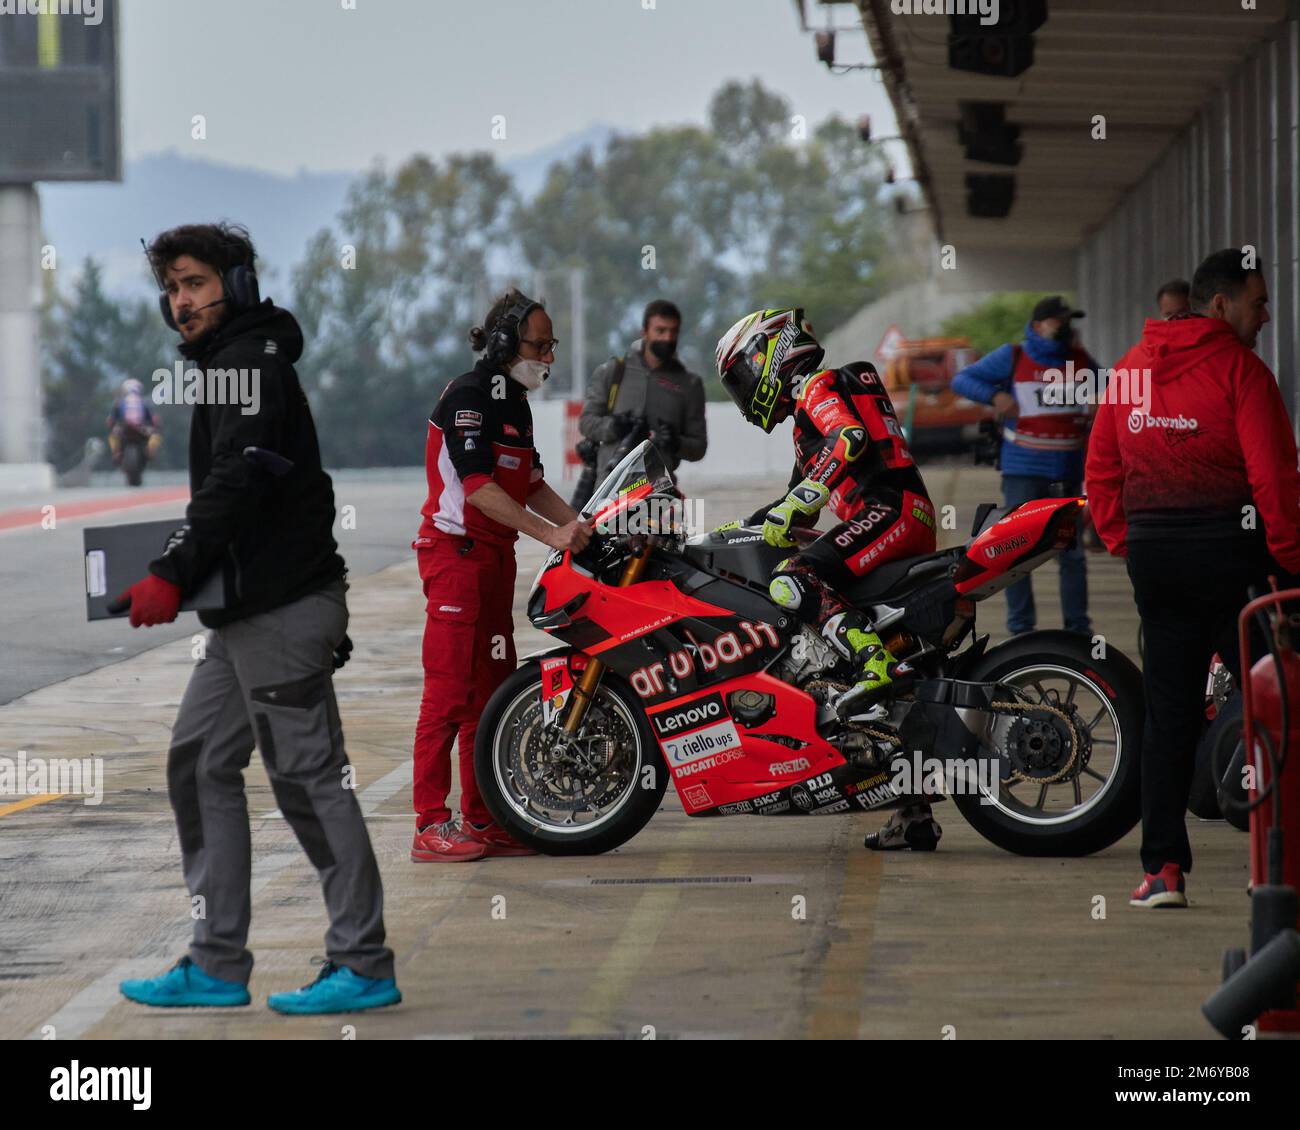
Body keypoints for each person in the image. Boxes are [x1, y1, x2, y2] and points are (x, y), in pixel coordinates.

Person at [114, 222, 399, 1014]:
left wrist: (171, 571)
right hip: (245, 616)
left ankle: (363, 961)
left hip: (281, 612)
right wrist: (175, 570)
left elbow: (241, 478)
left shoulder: (248, 364)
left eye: (196, 283)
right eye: (172, 289)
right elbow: (234, 492)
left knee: (309, 783)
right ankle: (215, 961)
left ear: (234, 284)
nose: (181, 302)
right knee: (200, 762)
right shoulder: (226, 366)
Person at [1087, 247, 1300, 908]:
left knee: (1169, 716)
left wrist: (1131, 542)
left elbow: (1100, 473)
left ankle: (1162, 872)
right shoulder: (1243, 372)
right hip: (1234, 563)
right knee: (1282, 704)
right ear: (1220, 305)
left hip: (1159, 563)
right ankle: (1281, 865)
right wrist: (1292, 565)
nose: (1265, 316)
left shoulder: (1127, 372)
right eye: (1258, 303)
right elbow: (1275, 483)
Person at [715, 307, 942, 852]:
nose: (745, 394)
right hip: (899, 515)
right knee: (816, 595)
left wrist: (800, 502)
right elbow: (802, 507)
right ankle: (910, 811)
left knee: (795, 579)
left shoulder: (819, 384)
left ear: (771, 354)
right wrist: (734, 534)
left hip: (890, 511)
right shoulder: (804, 423)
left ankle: (875, 664)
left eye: (743, 377)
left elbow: (850, 441)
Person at [411, 288, 592, 861]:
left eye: (552, 346)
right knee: (448, 694)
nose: (548, 358)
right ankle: (430, 823)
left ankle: (483, 819)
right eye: (540, 346)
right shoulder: (469, 396)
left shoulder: (515, 403)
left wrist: (584, 527)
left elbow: (531, 483)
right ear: (503, 342)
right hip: (454, 558)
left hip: (493, 561)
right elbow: (479, 489)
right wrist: (553, 537)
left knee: (490, 695)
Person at [952, 295, 1100, 636]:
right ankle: (1021, 629)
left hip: (1068, 472)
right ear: (1037, 326)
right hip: (1023, 470)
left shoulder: (1080, 360)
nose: (1065, 329)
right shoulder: (1014, 355)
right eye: (1058, 322)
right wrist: (995, 396)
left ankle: (1078, 630)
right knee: (1017, 551)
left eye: (1068, 322)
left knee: (1072, 555)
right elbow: (962, 380)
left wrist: (1099, 400)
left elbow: (1111, 390)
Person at [579, 299, 708, 484]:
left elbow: (699, 447)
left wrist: (675, 442)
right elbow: (586, 422)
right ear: (644, 332)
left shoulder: (690, 384)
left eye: (673, 332)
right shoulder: (613, 371)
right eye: (660, 331)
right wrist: (613, 426)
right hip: (608, 490)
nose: (668, 338)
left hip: (658, 494)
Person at [106, 378, 161, 466]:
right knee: (155, 436)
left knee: (113, 437)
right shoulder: (144, 402)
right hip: (141, 428)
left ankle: (116, 453)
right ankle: (150, 450)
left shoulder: (119, 403)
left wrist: (112, 426)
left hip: (124, 428)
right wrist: (155, 426)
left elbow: (110, 420)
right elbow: (154, 419)